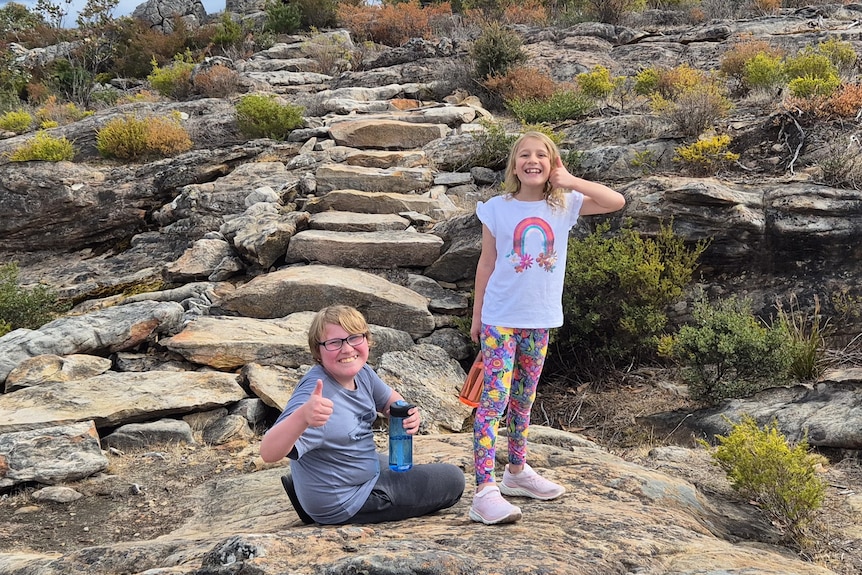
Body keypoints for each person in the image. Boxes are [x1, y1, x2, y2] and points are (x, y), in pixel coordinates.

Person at [468, 131, 626, 525]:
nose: (532, 160)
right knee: (494, 400)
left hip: (539, 321)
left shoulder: (565, 205)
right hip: (500, 319)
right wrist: (476, 316)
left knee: (524, 398)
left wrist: (571, 181)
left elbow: (615, 201)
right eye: (525, 155)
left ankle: (517, 472)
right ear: (513, 164)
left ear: (553, 163)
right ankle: (484, 489)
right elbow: (486, 264)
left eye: (542, 155)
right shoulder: (497, 209)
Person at [260, 304, 465, 525]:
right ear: (317, 350)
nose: (347, 349)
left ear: (367, 340)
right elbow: (268, 452)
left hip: (353, 468)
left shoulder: (362, 372)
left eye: (354, 338)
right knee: (453, 479)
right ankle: (318, 502)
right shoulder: (316, 395)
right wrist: (302, 417)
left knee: (400, 466)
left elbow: (389, 400)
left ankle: (306, 488)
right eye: (334, 342)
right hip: (347, 500)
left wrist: (405, 413)